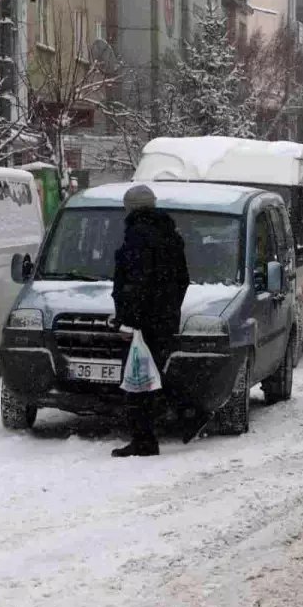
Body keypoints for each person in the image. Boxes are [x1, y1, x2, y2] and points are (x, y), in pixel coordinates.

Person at [111, 185, 190, 458]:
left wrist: (129, 320)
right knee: (154, 375)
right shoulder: (170, 235)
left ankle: (144, 440)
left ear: (130, 208)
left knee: (137, 381)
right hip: (163, 319)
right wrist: (168, 309)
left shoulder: (137, 235)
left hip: (142, 323)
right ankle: (191, 415)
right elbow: (182, 280)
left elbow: (135, 283)